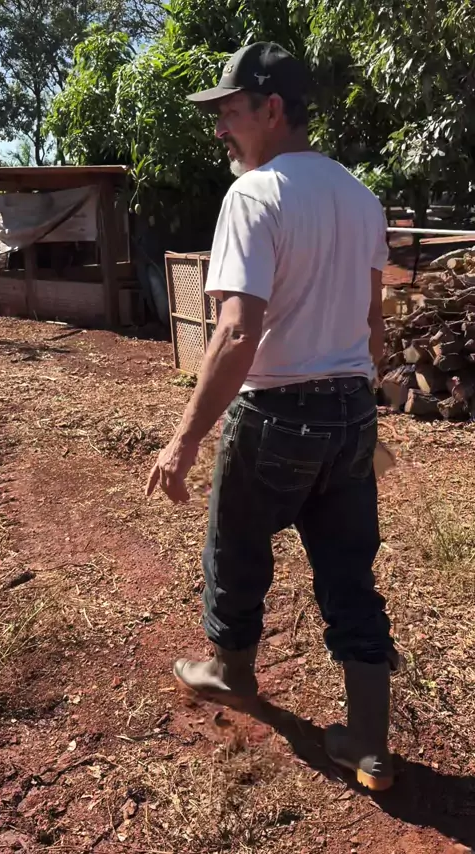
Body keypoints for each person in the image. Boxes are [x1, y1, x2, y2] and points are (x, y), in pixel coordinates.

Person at [146, 42, 399, 792]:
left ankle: (231, 672)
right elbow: (373, 324)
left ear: (272, 110)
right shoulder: (361, 197)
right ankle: (368, 744)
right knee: (349, 571)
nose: (219, 129)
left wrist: (183, 440)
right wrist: (357, 408)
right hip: (350, 410)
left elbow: (235, 332)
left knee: (235, 546)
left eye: (229, 113)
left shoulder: (255, 195)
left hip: (278, 413)